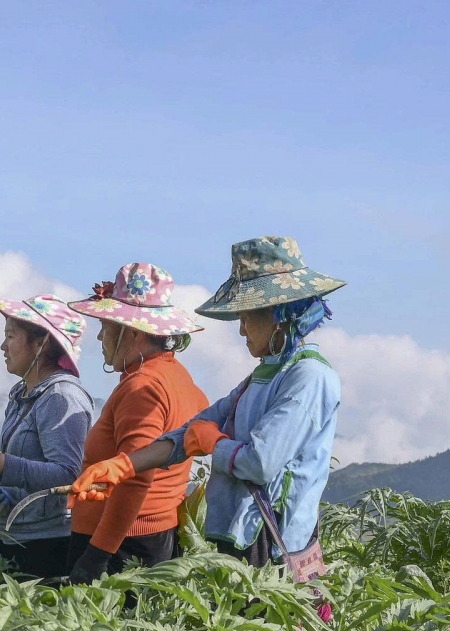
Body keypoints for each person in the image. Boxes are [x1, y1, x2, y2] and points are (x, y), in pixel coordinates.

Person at [70, 237, 344, 581]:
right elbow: (191, 432)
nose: (241, 330)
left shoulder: (309, 377)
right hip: (242, 535)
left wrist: (215, 443)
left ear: (278, 316)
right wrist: (123, 465)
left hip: (273, 544)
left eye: (245, 317)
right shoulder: (262, 375)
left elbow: (260, 463)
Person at [63, 263, 209, 585]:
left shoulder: (142, 387)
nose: (100, 336)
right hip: (153, 538)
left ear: (132, 332)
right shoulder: (178, 378)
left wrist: (96, 556)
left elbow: (135, 476)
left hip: (121, 547)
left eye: (106, 326)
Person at [0, 295, 93, 580]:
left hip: (48, 545)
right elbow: (4, 454)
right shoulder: (22, 393)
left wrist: (0, 464)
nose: (3, 346)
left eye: (11, 336)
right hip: (13, 536)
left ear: (40, 345)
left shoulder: (61, 397)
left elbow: (68, 474)